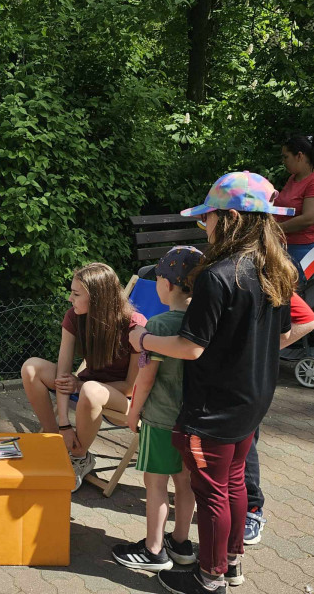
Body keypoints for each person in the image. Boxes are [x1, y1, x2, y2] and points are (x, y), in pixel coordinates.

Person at [128, 171, 296, 594]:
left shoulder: (218, 275)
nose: (205, 225)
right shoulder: (278, 268)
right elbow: (278, 334)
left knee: (212, 495)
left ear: (232, 218)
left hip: (213, 408)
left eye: (209, 218)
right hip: (253, 400)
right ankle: (232, 564)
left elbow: (190, 347)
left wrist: (143, 338)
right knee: (234, 482)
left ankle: (210, 576)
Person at [112, 246, 202, 572]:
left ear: (169, 284)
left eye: (159, 279)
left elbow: (146, 379)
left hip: (161, 420)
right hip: (195, 423)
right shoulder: (208, 321)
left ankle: (153, 550)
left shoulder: (159, 325)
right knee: (186, 482)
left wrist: (133, 412)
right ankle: (181, 543)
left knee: (155, 483)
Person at [21, 262, 147, 490]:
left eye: (76, 294)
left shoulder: (133, 327)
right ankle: (56, 444)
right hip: (86, 386)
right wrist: (64, 426)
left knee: (90, 389)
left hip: (124, 403)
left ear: (98, 298)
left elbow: (130, 387)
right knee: (31, 368)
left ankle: (79, 456)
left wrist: (79, 385)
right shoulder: (74, 317)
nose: (70, 298)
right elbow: (63, 374)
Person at [243, 292, 314, 545]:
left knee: (246, 441)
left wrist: (266, 347)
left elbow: (306, 318)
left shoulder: (265, 275)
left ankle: (252, 510)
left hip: (248, 380)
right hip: (216, 378)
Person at [275, 134, 314, 286]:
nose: (283, 161)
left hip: (304, 251)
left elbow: (309, 218)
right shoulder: (293, 178)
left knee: (296, 296)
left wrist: (275, 228)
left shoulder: (311, 181)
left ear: (299, 156)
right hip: (285, 247)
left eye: (286, 157)